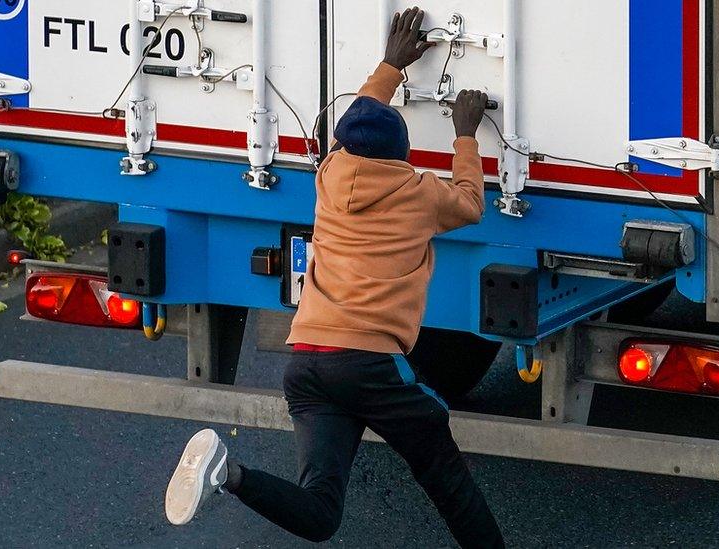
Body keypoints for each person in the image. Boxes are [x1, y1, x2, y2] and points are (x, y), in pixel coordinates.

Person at [163, 7, 504, 548]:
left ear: (345, 148)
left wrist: (390, 64)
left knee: (321, 514)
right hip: (370, 365)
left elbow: (360, 117)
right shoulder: (419, 191)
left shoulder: (328, 177)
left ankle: (228, 474)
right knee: (445, 476)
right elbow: (470, 203)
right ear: (403, 153)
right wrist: (465, 133)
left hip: (309, 364)